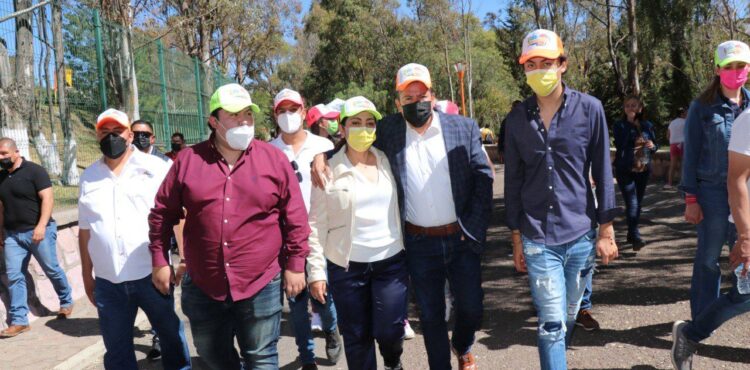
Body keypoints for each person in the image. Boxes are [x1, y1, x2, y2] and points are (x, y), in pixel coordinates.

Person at [313, 62, 494, 370]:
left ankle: (462, 344)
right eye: (407, 97)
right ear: (397, 103)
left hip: (461, 238)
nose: (415, 102)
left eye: (420, 94)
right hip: (419, 243)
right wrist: (322, 156)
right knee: (431, 316)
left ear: (432, 96)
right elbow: (353, 140)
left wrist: (473, 228)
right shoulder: (389, 130)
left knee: (472, 310)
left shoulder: (463, 127)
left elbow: (483, 177)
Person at [148, 83, 310, 369]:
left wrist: (296, 264)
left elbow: (295, 216)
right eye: (234, 116)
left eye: (248, 114)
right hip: (204, 283)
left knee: (261, 358)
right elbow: (162, 213)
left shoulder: (274, 160)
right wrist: (160, 260)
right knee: (212, 357)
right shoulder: (187, 161)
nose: (244, 121)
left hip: (260, 281)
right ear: (214, 121)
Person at [505, 29, 619, 370]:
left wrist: (606, 230)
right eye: (532, 64)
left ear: (563, 64)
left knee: (568, 314)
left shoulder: (590, 110)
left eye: (547, 63)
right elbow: (512, 182)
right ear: (524, 70)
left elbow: (602, 167)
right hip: (537, 237)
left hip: (581, 235)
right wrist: (515, 238)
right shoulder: (515, 120)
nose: (540, 71)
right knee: (551, 322)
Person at [77, 109, 191, 369]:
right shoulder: (88, 176)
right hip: (109, 281)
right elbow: (85, 230)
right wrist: (87, 275)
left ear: (129, 134)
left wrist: (183, 258)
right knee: (117, 351)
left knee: (171, 338)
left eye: (117, 132)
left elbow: (178, 216)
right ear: (97, 136)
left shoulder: (157, 168)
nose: (111, 137)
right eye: (105, 132)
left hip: (150, 274)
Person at [307, 96, 408, 370]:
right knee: (356, 336)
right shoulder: (327, 169)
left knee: (390, 330)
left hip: (391, 261)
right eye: (355, 123)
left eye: (369, 123)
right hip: (347, 267)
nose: (363, 129)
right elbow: (315, 225)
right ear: (342, 127)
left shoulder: (387, 158)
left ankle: (393, 359)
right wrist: (316, 272)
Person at [671, 40, 750, 370]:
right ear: (717, 69)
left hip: (744, 196)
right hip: (713, 194)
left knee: (743, 263)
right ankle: (700, 321)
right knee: (708, 259)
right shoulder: (701, 108)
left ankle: (710, 319)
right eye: (729, 66)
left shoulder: (749, 108)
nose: (735, 73)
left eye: (741, 66)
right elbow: (689, 157)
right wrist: (691, 198)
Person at [270, 88, 342, 370]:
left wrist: (322, 157)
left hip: (317, 231)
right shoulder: (267, 150)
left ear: (304, 110)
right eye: (282, 110)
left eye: (293, 109)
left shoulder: (323, 146)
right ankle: (307, 354)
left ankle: (332, 331)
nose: (288, 115)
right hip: (284, 236)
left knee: (321, 293)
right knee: (295, 302)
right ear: (275, 115)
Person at [0, 138, 73, 338]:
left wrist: (41, 226)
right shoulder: (1, 178)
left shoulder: (35, 171)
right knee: (15, 276)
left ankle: (66, 301)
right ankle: (19, 321)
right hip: (13, 235)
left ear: (16, 151)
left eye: (4, 154)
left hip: (38, 231)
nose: (1, 158)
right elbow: (1, 207)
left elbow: (48, 198)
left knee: (51, 269)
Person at [613, 96, 658, 251]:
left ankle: (631, 233)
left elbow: (655, 145)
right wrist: (631, 125)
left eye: (634, 106)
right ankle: (636, 235)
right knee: (631, 202)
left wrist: (653, 146)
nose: (631, 108)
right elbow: (620, 143)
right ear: (624, 109)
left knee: (637, 203)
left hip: (643, 169)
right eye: (627, 106)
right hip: (625, 169)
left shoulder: (647, 125)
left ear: (640, 108)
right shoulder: (619, 125)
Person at [665, 107, 687, 189]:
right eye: (685, 113)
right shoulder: (686, 122)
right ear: (682, 114)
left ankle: (669, 184)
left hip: (673, 145)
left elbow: (667, 136)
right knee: (683, 165)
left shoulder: (672, 123)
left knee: (673, 165)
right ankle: (682, 183)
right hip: (683, 144)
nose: (687, 114)